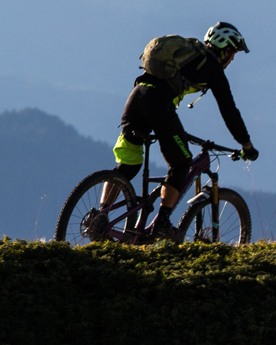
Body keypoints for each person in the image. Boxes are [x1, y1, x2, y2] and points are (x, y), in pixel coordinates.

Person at [109, 22, 258, 240]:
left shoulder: (187, 53)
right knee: (181, 163)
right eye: (233, 53)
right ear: (225, 50)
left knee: (128, 164)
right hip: (158, 104)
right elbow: (229, 110)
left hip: (136, 97)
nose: (232, 59)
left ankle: (100, 216)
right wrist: (246, 145)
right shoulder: (211, 66)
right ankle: (161, 223)